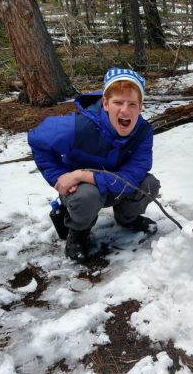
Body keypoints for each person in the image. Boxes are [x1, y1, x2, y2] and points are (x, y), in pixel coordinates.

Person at [28, 67, 160, 261]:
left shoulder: (143, 133)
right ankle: (79, 232)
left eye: (132, 104)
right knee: (87, 195)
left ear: (141, 107)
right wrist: (59, 177)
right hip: (82, 192)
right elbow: (37, 139)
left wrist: (81, 174)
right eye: (118, 103)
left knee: (149, 184)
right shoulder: (77, 127)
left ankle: (127, 219)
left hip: (116, 187)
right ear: (105, 103)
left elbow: (132, 176)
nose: (125, 110)